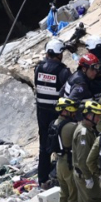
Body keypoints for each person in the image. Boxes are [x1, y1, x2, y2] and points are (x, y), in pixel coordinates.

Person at [34, 39, 71, 186]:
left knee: (44, 146)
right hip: (57, 113)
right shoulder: (63, 71)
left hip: (41, 112)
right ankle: (60, 176)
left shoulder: (38, 68)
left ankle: (42, 178)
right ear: (59, 53)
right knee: (62, 145)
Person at [50, 98, 80, 202]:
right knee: (73, 195)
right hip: (69, 163)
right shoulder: (71, 127)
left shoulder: (55, 123)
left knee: (64, 193)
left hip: (59, 163)